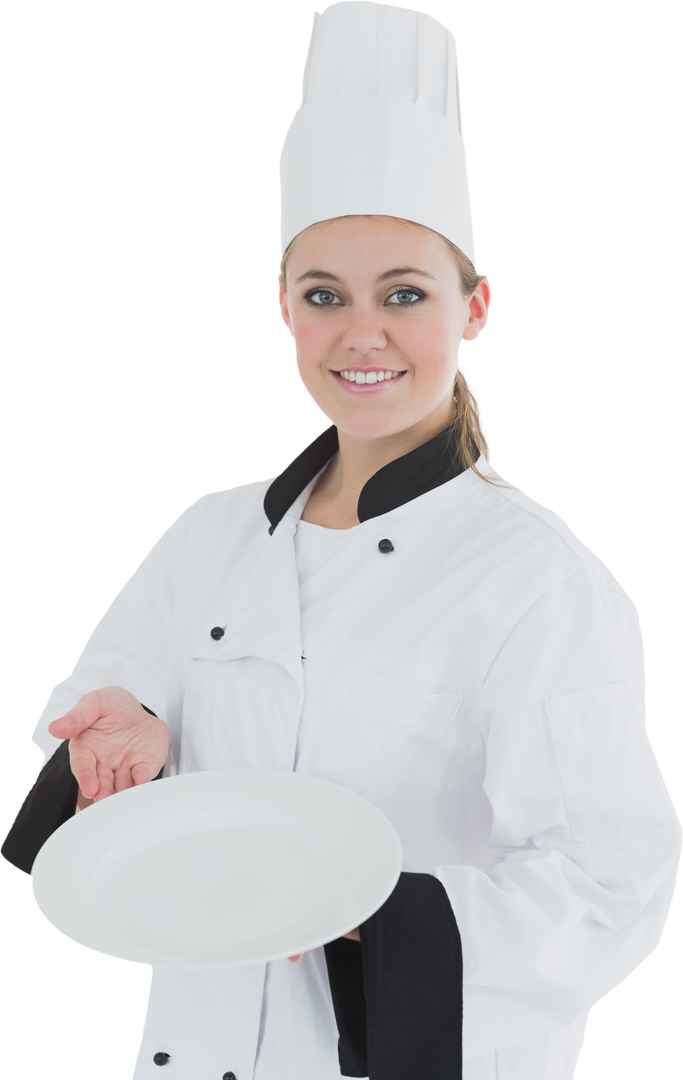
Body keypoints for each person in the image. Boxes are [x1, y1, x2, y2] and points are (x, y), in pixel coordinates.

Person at [3, 5, 682, 1079]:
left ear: (474, 308)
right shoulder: (206, 534)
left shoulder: (540, 580)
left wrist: (358, 911)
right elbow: (93, 733)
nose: (359, 336)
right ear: (282, 303)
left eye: (403, 294)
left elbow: (607, 886)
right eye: (323, 295)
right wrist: (116, 739)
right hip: (195, 1051)